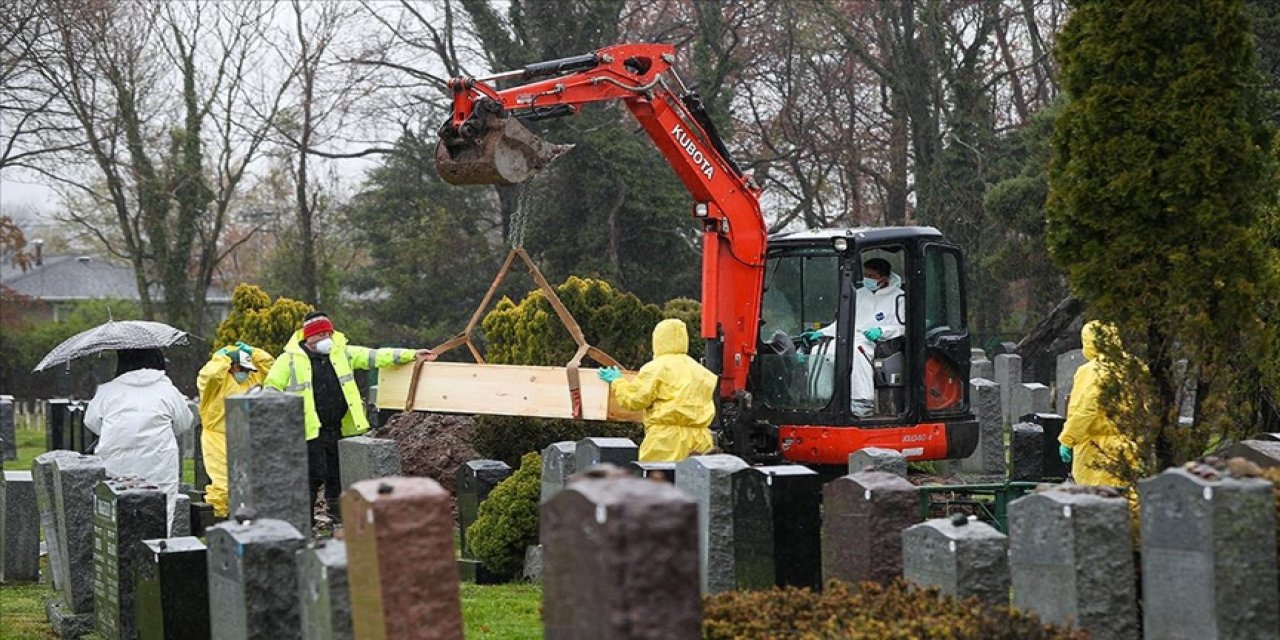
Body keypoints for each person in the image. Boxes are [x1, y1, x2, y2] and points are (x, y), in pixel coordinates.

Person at [264, 311, 435, 527]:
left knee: (337, 476)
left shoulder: (342, 353)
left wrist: (411, 354)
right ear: (308, 337)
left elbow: (374, 356)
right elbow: (270, 389)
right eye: (321, 334)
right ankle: (305, 527)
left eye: (329, 333)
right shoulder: (288, 360)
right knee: (310, 479)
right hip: (307, 432)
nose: (326, 338)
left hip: (338, 428)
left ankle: (338, 522)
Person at [85, 348, 194, 533]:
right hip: (159, 462)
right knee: (161, 511)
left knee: (117, 513)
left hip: (116, 461)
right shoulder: (168, 390)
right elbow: (184, 422)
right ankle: (155, 554)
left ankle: (119, 558)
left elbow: (91, 421)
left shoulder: (108, 390)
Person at [597, 318, 717, 462]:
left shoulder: (656, 368)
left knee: (659, 481)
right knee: (695, 482)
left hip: (665, 441)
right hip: (701, 440)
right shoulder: (701, 371)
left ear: (658, 340)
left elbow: (634, 400)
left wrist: (617, 381)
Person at [806, 258, 905, 416]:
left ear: (884, 278)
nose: (867, 279)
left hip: (877, 342)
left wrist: (881, 330)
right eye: (866, 275)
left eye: (871, 276)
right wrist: (822, 333)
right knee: (820, 351)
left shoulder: (899, 298)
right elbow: (842, 322)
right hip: (850, 337)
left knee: (855, 353)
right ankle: (821, 398)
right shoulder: (858, 295)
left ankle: (862, 402)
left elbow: (901, 327)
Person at [196, 341, 275, 519]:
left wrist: (254, 352)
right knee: (223, 483)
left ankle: (246, 519)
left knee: (252, 482)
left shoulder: (253, 378)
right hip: (218, 435)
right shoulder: (216, 383)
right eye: (241, 368)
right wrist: (222, 357)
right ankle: (218, 520)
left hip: (247, 435)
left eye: (248, 369)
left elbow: (271, 368)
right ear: (231, 367)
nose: (245, 373)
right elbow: (208, 376)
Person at [1058, 321, 1136, 487]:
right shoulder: (1132, 366)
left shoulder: (1091, 371)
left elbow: (1085, 409)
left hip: (1096, 448)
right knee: (1127, 499)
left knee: (1096, 500)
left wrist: (1068, 439)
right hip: (1128, 445)